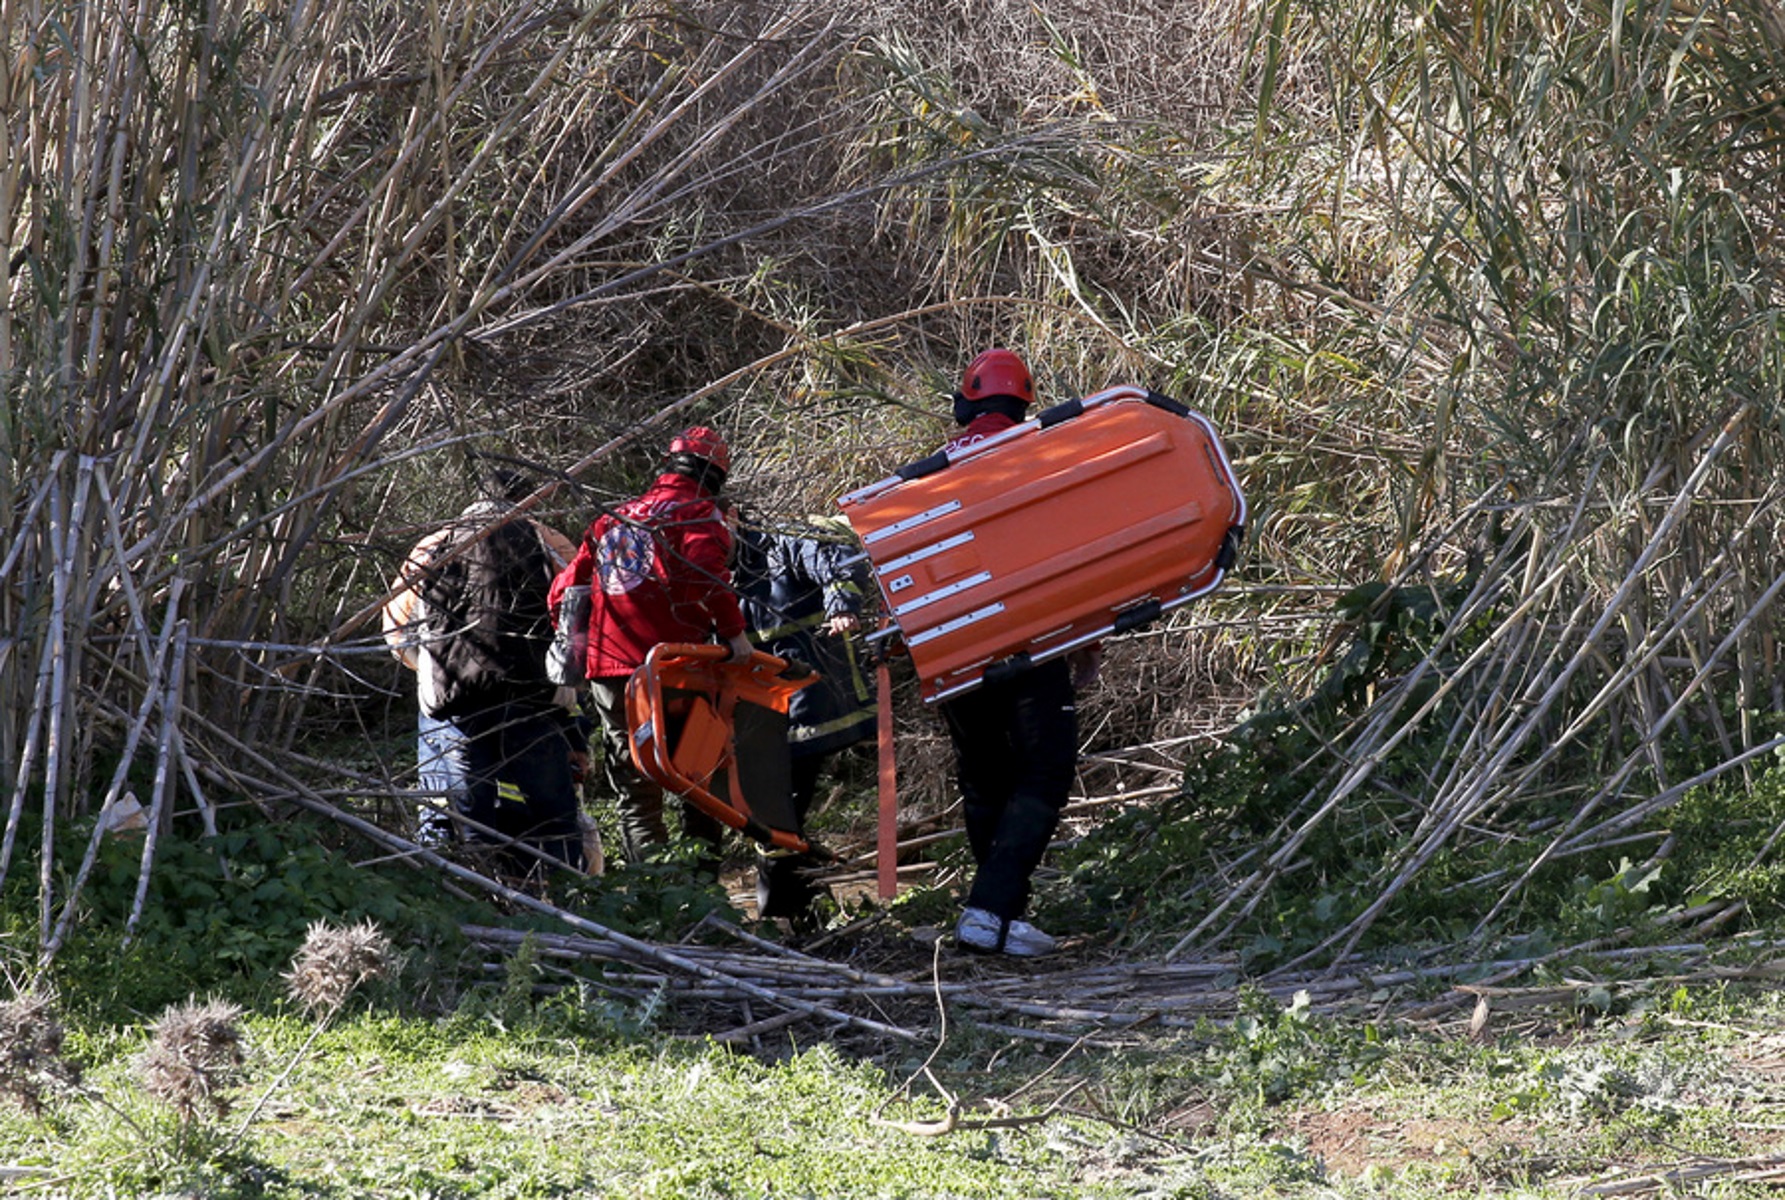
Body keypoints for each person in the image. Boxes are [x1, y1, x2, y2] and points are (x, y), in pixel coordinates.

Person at [935, 348, 1099, 957]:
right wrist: (1086, 638)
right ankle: (992, 908)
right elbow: (1065, 559)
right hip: (1032, 640)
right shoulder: (1038, 455)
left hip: (952, 644)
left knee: (983, 773)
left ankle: (999, 916)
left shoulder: (929, 471)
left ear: (966, 401)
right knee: (1045, 767)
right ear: (1024, 400)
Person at [549, 425, 754, 868]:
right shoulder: (696, 513)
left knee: (636, 785)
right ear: (715, 474)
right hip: (676, 667)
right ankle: (702, 889)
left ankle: (654, 892)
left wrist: (578, 645)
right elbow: (703, 570)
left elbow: (564, 591)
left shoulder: (613, 518)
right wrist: (735, 632)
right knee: (696, 775)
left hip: (610, 671)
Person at [383, 468, 586, 876]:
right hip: (534, 702)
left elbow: (395, 631)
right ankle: (569, 904)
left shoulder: (432, 545)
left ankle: (467, 902)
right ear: (527, 500)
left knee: (459, 820)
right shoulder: (549, 541)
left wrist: (432, 668)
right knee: (556, 820)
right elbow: (580, 621)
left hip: (455, 707)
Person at [730, 510, 876, 925]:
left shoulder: (782, 541)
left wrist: (841, 606)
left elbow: (837, 558)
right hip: (763, 710)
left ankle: (785, 910)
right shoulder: (706, 564)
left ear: (732, 516)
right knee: (779, 810)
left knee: (783, 806)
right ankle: (796, 906)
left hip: (810, 701)